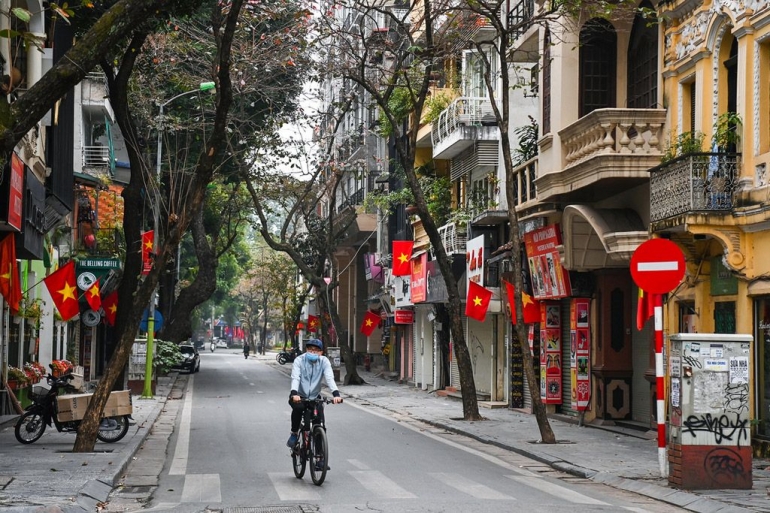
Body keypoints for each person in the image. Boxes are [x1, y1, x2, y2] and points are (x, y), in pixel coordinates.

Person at [287, 338, 342, 452]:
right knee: (298, 408)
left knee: (319, 424)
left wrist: (336, 394)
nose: (313, 352)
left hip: (315, 397)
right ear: (306, 350)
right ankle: (294, 433)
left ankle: (319, 458)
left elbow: (329, 378)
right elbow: (295, 377)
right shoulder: (299, 360)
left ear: (321, 352)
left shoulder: (324, 361)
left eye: (316, 350)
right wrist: (294, 393)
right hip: (299, 395)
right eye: (310, 349)